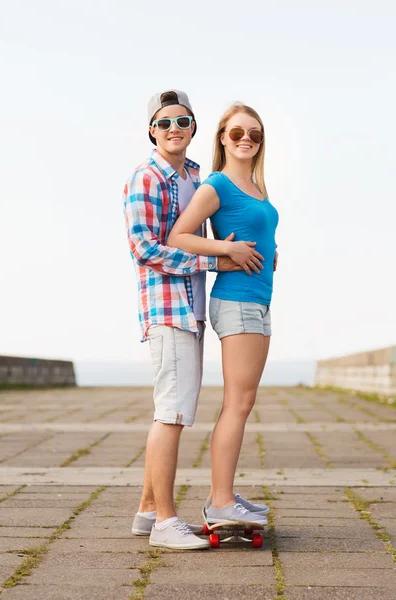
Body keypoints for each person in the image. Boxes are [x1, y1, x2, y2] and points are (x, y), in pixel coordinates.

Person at [123, 90, 263, 549]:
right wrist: (218, 261)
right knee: (172, 414)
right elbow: (145, 249)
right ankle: (165, 523)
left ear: (194, 128)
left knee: (175, 409)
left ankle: (147, 510)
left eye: (183, 121)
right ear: (152, 130)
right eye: (165, 123)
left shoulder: (195, 176)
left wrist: (244, 249)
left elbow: (212, 234)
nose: (174, 129)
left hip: (194, 309)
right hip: (168, 309)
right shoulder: (146, 179)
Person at [168, 103, 279, 527]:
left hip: (259, 298)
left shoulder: (254, 185)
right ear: (222, 138)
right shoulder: (216, 184)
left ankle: (226, 494)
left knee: (243, 402)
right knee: (238, 403)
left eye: (254, 133)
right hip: (236, 300)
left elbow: (259, 231)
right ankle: (219, 502)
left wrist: (271, 252)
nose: (246, 139)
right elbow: (179, 235)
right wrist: (225, 250)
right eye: (237, 133)